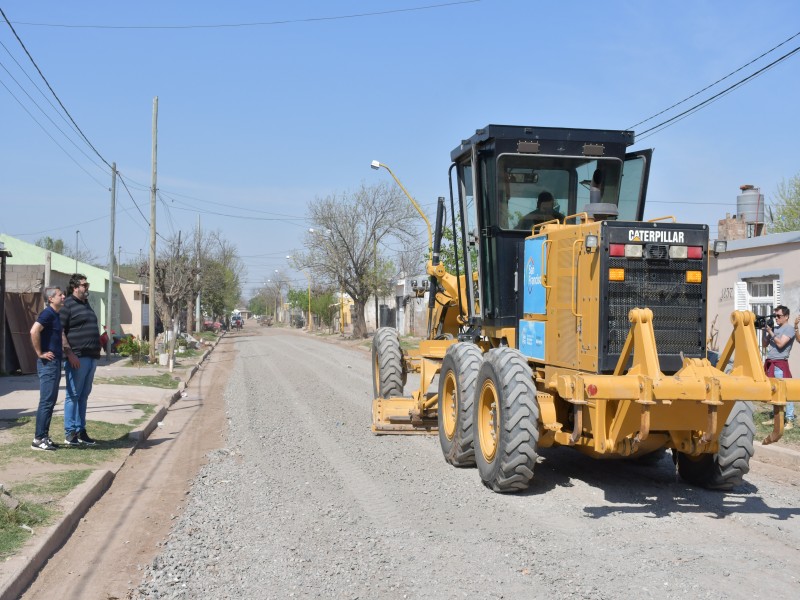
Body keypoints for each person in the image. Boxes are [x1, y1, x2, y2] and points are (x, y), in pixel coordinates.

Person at [61, 273, 101, 446]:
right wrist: (69, 354)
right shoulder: (67, 305)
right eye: (84, 285)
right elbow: (60, 331)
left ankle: (80, 430)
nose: (87, 288)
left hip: (91, 357)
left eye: (87, 284)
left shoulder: (86, 304)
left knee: (83, 396)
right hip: (77, 357)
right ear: (75, 287)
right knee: (73, 395)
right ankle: (70, 433)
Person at [30, 286, 66, 451]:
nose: (63, 296)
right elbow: (34, 331)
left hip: (56, 362)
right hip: (48, 364)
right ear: (51, 298)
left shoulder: (55, 315)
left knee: (50, 402)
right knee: (46, 401)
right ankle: (38, 439)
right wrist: (40, 353)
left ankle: (44, 436)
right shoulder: (47, 314)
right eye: (60, 295)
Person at [762, 305, 795, 429]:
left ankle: (790, 420)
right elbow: (765, 344)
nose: (776, 318)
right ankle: (776, 417)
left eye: (779, 316)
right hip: (771, 363)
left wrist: (771, 332)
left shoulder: (789, 329)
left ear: (786, 317)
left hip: (780, 364)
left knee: (786, 392)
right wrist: (766, 332)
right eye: (775, 316)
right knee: (774, 391)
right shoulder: (774, 329)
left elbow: (781, 344)